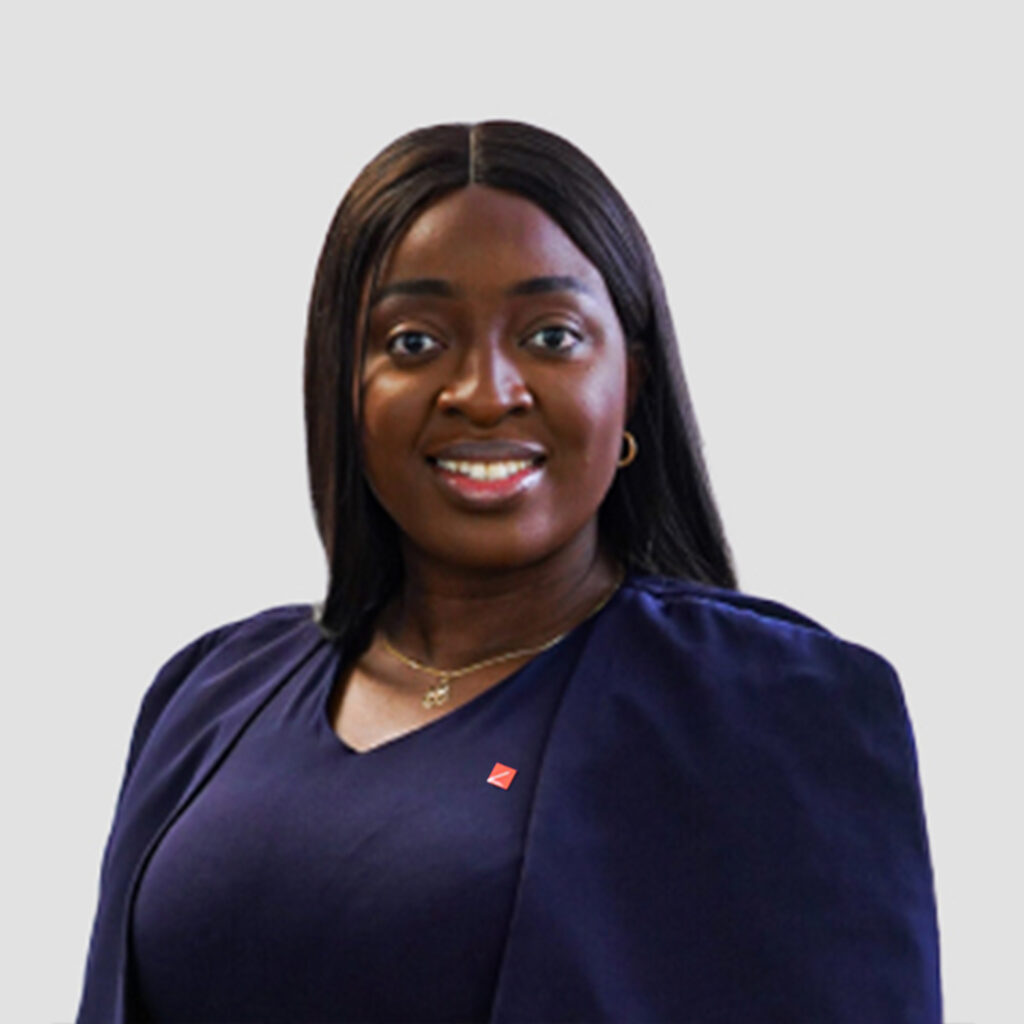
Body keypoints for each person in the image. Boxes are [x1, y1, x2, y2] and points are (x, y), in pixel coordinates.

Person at [77, 121, 942, 1023]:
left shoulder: (771, 705)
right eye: (414, 342)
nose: (485, 394)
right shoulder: (210, 693)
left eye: (551, 336)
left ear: (632, 384)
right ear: (343, 386)